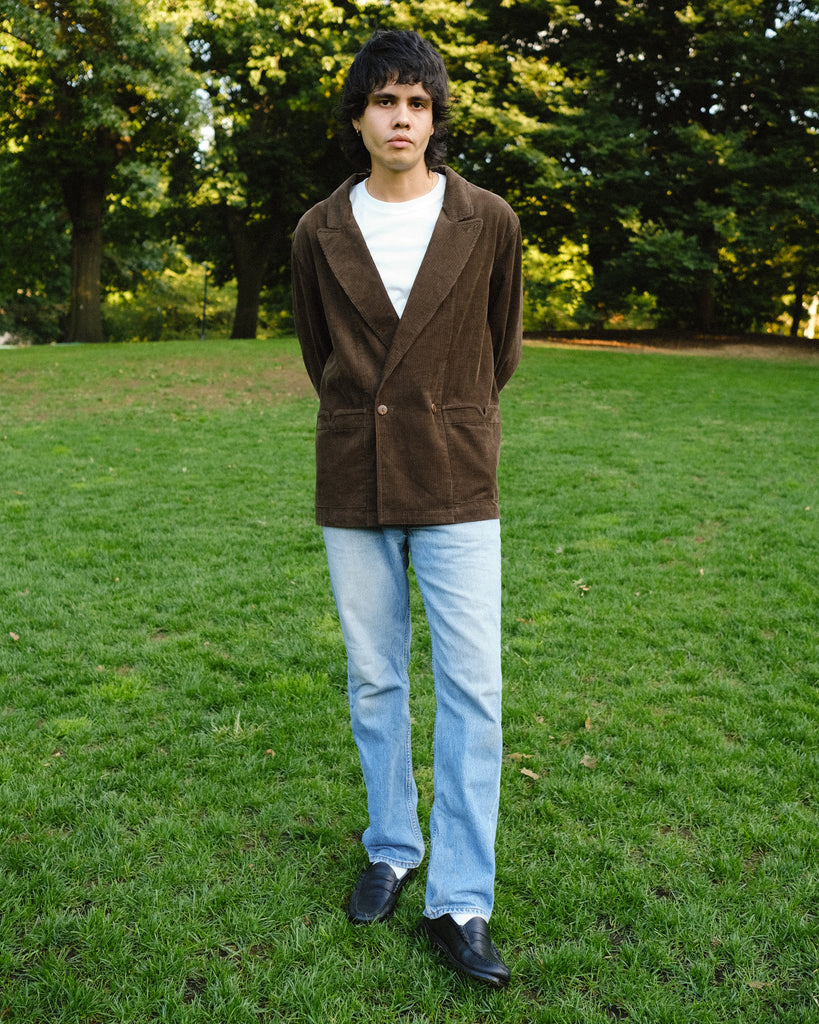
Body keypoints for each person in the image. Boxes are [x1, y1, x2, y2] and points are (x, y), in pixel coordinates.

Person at [291, 29, 522, 988]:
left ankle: (460, 899)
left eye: (417, 103)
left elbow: (498, 347)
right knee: (375, 677)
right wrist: (368, 418)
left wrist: (448, 416)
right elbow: (319, 354)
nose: (401, 118)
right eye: (384, 101)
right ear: (358, 119)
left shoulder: (488, 219)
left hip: (457, 476)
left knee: (471, 690)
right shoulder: (317, 230)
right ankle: (392, 846)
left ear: (433, 118)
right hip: (355, 475)